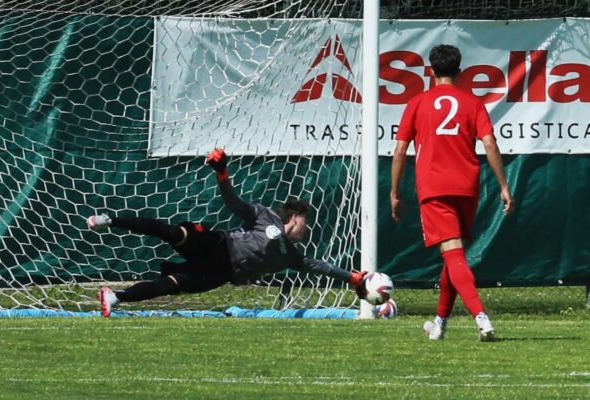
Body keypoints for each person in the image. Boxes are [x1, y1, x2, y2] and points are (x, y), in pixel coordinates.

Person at [88, 148, 367, 317]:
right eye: (305, 222)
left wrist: (353, 278)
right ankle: (110, 220)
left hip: (220, 274)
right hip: (219, 245)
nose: (307, 230)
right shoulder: (264, 215)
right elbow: (234, 203)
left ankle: (115, 297)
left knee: (173, 284)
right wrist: (222, 172)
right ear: (294, 218)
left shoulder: (293, 257)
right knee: (174, 233)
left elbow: (324, 268)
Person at [390, 45, 515, 341]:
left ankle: (482, 319)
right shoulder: (473, 103)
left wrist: (394, 193)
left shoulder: (417, 103)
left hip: (435, 189)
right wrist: (504, 186)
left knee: (454, 256)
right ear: (460, 72)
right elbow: (490, 144)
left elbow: (399, 151)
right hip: (467, 188)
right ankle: (439, 323)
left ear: (431, 71)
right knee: (453, 256)